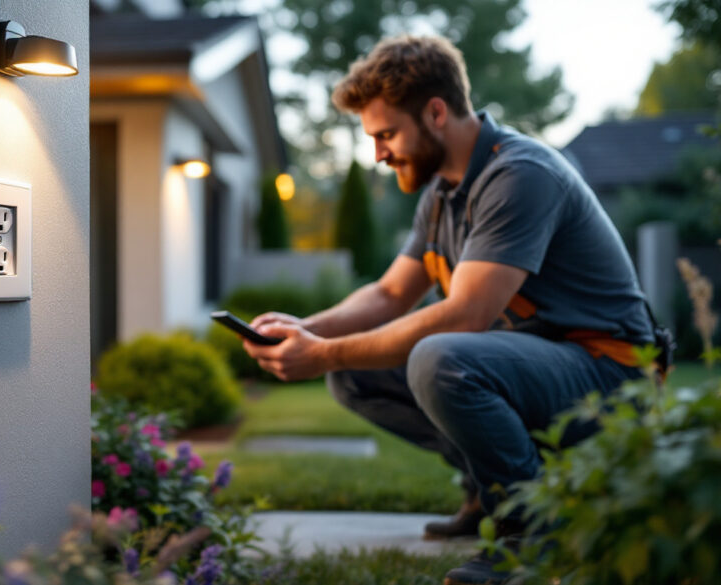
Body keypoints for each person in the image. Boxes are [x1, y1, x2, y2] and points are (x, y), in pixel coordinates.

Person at [242, 35, 656, 585]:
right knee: (353, 373)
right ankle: (487, 494)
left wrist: (321, 353)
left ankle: (530, 532)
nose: (379, 153)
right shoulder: (442, 192)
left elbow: (466, 316)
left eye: (386, 134)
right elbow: (389, 294)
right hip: (539, 368)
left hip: (608, 377)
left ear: (436, 112)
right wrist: (306, 332)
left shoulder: (521, 175)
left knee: (441, 357)